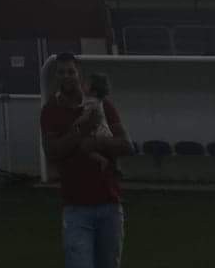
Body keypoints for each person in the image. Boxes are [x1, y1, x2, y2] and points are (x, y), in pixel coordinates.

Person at [40, 51, 131, 268]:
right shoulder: (50, 110)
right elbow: (52, 152)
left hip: (109, 204)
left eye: (71, 71)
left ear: (79, 74)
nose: (66, 76)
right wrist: (83, 131)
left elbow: (126, 145)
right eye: (61, 72)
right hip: (76, 208)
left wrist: (96, 144)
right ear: (56, 77)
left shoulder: (102, 105)